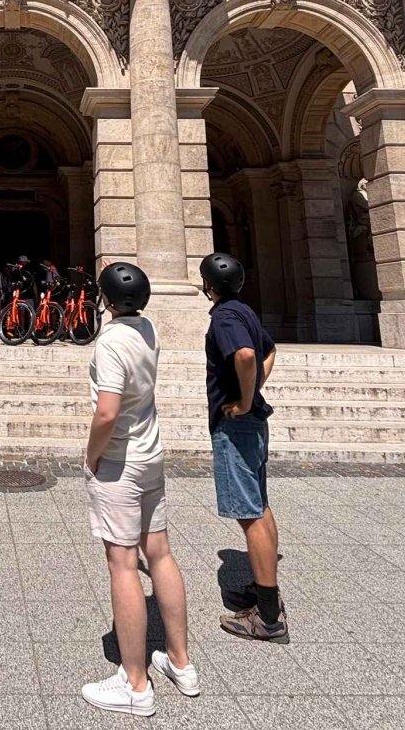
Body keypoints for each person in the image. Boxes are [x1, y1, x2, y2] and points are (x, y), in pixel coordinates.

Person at [81, 262, 197, 716]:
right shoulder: (148, 329)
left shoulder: (111, 342)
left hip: (120, 461)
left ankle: (135, 684)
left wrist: (92, 454)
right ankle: (181, 664)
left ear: (105, 299)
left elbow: (107, 412)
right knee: (161, 553)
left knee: (123, 564)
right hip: (151, 454)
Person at [198, 252, 285, 642]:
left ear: (208, 286)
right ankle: (264, 588)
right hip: (252, 423)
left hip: (238, 426)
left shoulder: (224, 317)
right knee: (260, 507)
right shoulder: (244, 310)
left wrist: (245, 401)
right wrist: (253, 391)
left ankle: (267, 618)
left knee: (249, 513)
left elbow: (248, 355)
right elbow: (269, 350)